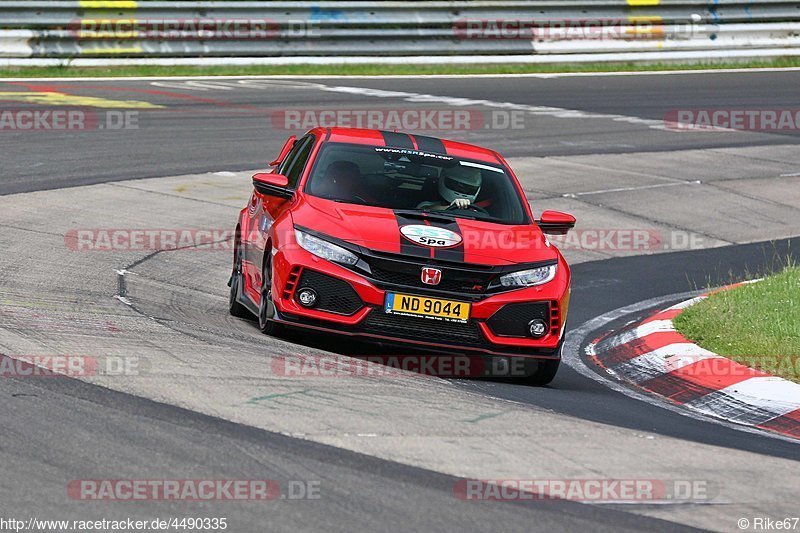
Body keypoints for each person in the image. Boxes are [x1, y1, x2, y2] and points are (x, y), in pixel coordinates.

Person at [417, 164, 482, 211]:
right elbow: (423, 209)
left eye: (468, 188)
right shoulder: (428, 204)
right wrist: (452, 207)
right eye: (458, 186)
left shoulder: (476, 212)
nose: (462, 190)